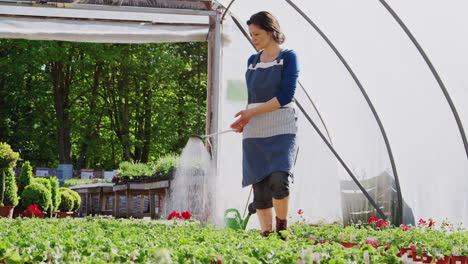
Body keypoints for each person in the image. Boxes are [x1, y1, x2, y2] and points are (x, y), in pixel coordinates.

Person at [230, 11, 299, 239]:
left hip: (281, 127)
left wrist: (252, 113)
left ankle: (282, 229)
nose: (253, 38)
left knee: (279, 180)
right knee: (259, 185)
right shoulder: (252, 61)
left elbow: (285, 96)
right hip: (254, 131)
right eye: (251, 34)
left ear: (271, 31)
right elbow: (250, 97)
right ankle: (266, 235)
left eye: (257, 33)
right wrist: (244, 119)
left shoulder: (288, 57)